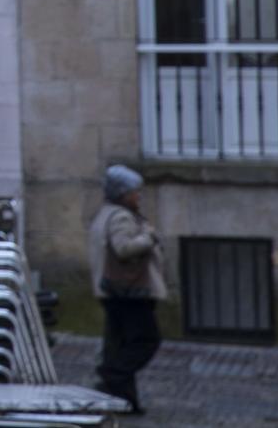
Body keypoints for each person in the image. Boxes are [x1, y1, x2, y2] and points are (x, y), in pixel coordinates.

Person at [88, 163, 164, 414]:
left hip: (114, 291)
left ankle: (126, 400)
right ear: (123, 193)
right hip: (128, 292)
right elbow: (124, 248)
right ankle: (112, 377)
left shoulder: (106, 213)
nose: (138, 196)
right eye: (135, 191)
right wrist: (149, 237)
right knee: (145, 340)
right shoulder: (120, 216)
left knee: (119, 343)